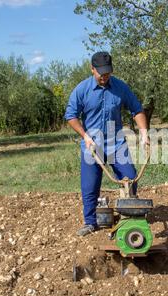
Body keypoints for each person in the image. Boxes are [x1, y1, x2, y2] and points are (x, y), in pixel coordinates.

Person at [64, 52, 149, 237]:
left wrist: (143, 133)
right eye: (100, 73)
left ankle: (127, 216)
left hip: (117, 143)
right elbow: (71, 115)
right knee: (89, 186)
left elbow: (137, 109)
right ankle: (90, 222)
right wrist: (85, 136)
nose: (104, 77)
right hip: (92, 145)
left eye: (107, 73)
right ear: (92, 69)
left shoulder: (120, 87)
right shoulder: (82, 89)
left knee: (130, 177)